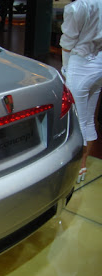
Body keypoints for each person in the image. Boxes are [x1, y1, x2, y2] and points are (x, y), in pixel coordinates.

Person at [60, 0, 102, 183]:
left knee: (76, 121)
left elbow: (68, 43)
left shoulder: (77, 7)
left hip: (80, 64)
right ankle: (83, 165)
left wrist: (66, 68)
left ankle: (76, 166)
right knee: (88, 119)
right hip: (99, 63)